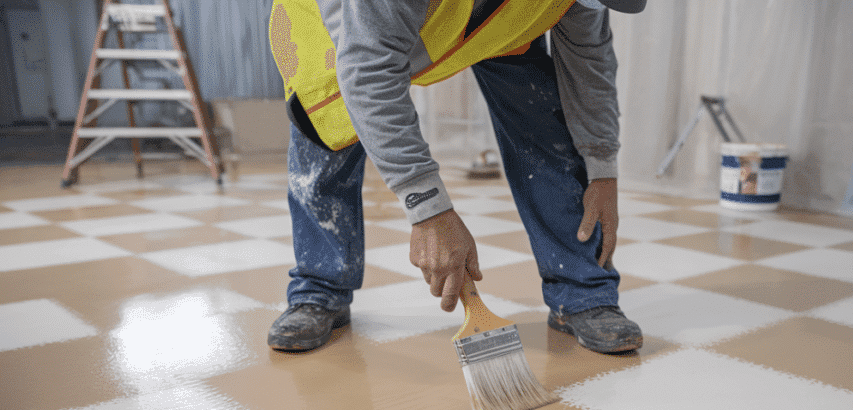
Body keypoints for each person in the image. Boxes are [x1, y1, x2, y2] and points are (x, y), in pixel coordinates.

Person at [267, 0, 646, 354]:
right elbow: (368, 70)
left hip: (490, 17)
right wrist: (428, 211)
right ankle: (318, 289)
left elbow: (588, 61)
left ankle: (582, 292)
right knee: (325, 125)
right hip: (338, 26)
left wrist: (602, 169)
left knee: (544, 118)